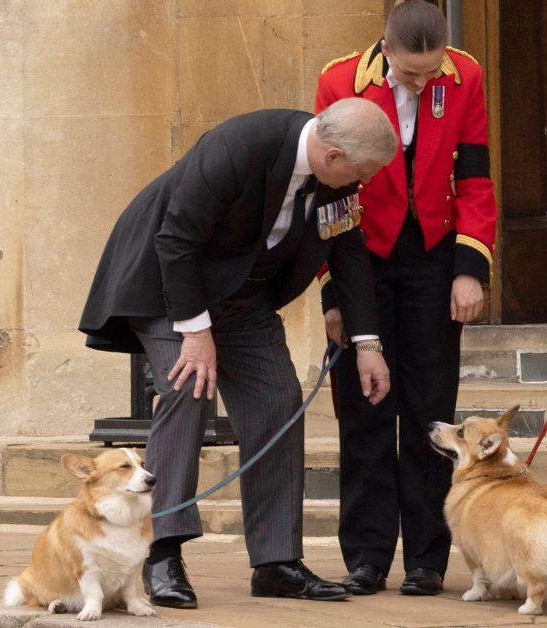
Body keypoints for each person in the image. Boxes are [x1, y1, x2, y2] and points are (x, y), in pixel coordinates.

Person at [78, 99, 398, 608]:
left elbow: (349, 249)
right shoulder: (240, 146)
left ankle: (276, 563)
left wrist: (366, 343)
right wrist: (195, 332)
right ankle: (161, 553)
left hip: (243, 297)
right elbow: (176, 239)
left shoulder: (341, 179)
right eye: (362, 171)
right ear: (333, 155)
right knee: (187, 388)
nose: (367, 182)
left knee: (278, 397)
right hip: (166, 286)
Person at [313, 0, 497, 597]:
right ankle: (366, 557)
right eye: (411, 72)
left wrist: (470, 269)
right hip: (361, 253)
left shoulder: (465, 74)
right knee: (364, 408)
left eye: (431, 69)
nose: (423, 82)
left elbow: (474, 174)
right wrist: (333, 300)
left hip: (434, 254)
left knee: (428, 407)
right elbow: (325, 193)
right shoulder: (339, 79)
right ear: (385, 49)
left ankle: (427, 560)